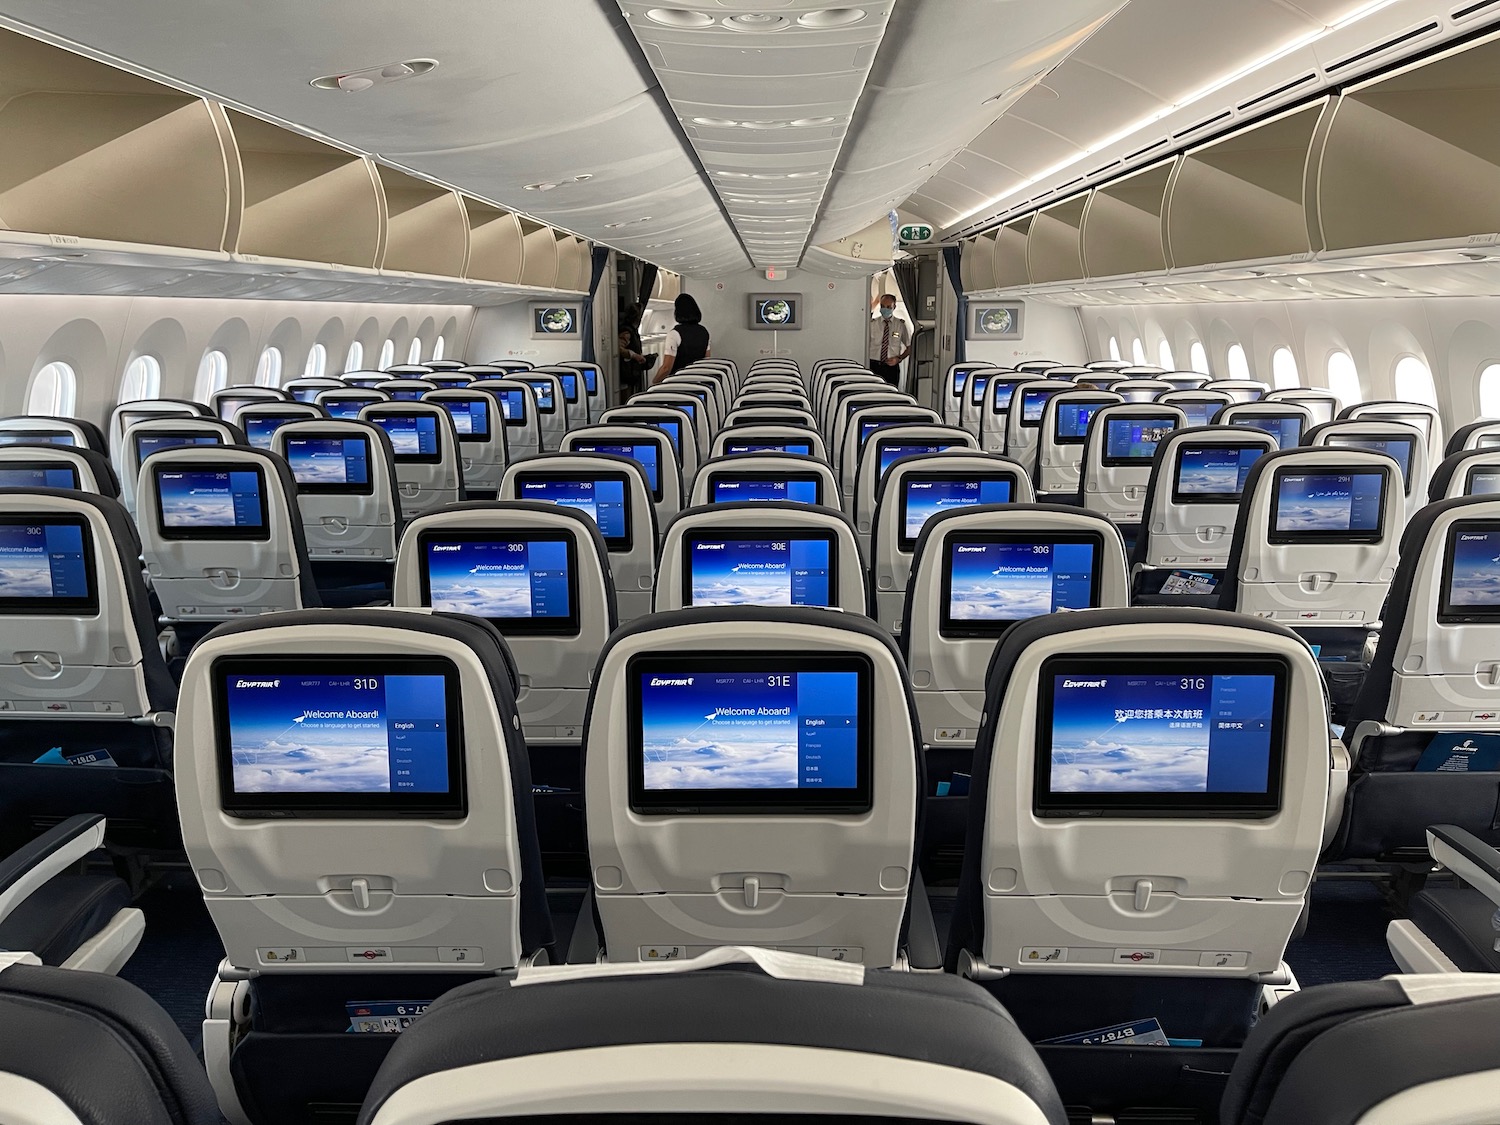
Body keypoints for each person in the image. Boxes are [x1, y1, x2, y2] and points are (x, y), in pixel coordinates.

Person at [655, 293, 710, 383]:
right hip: (698, 383)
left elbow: (666, 368)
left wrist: (654, 382)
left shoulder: (674, 334)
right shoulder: (704, 332)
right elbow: (706, 361)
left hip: (677, 384)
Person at [868, 294, 911, 385]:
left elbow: (909, 347)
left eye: (888, 307)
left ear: (894, 307)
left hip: (891, 367)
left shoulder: (900, 325)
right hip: (873, 365)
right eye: (883, 306)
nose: (885, 309)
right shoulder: (872, 324)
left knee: (891, 395)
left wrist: (899, 358)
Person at [617, 303, 654, 395]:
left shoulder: (631, 330)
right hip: (627, 374)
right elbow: (619, 348)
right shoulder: (626, 332)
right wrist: (634, 355)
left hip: (632, 374)